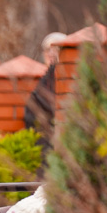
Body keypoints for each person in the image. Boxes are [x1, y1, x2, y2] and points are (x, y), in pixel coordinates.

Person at [24, 32, 66, 174]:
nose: (51, 54)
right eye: (48, 49)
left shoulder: (64, 81)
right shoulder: (41, 80)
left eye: (57, 49)